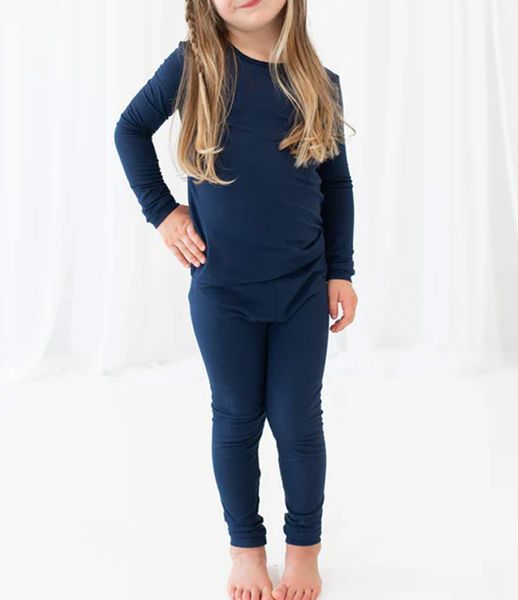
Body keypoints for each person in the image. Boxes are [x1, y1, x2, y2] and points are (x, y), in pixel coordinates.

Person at [114, 1, 358, 598]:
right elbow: (130, 130)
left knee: (298, 420)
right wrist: (162, 212)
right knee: (236, 417)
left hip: (303, 288)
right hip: (222, 291)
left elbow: (336, 184)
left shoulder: (319, 82)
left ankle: (304, 549)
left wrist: (340, 271)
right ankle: (245, 549)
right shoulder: (193, 65)